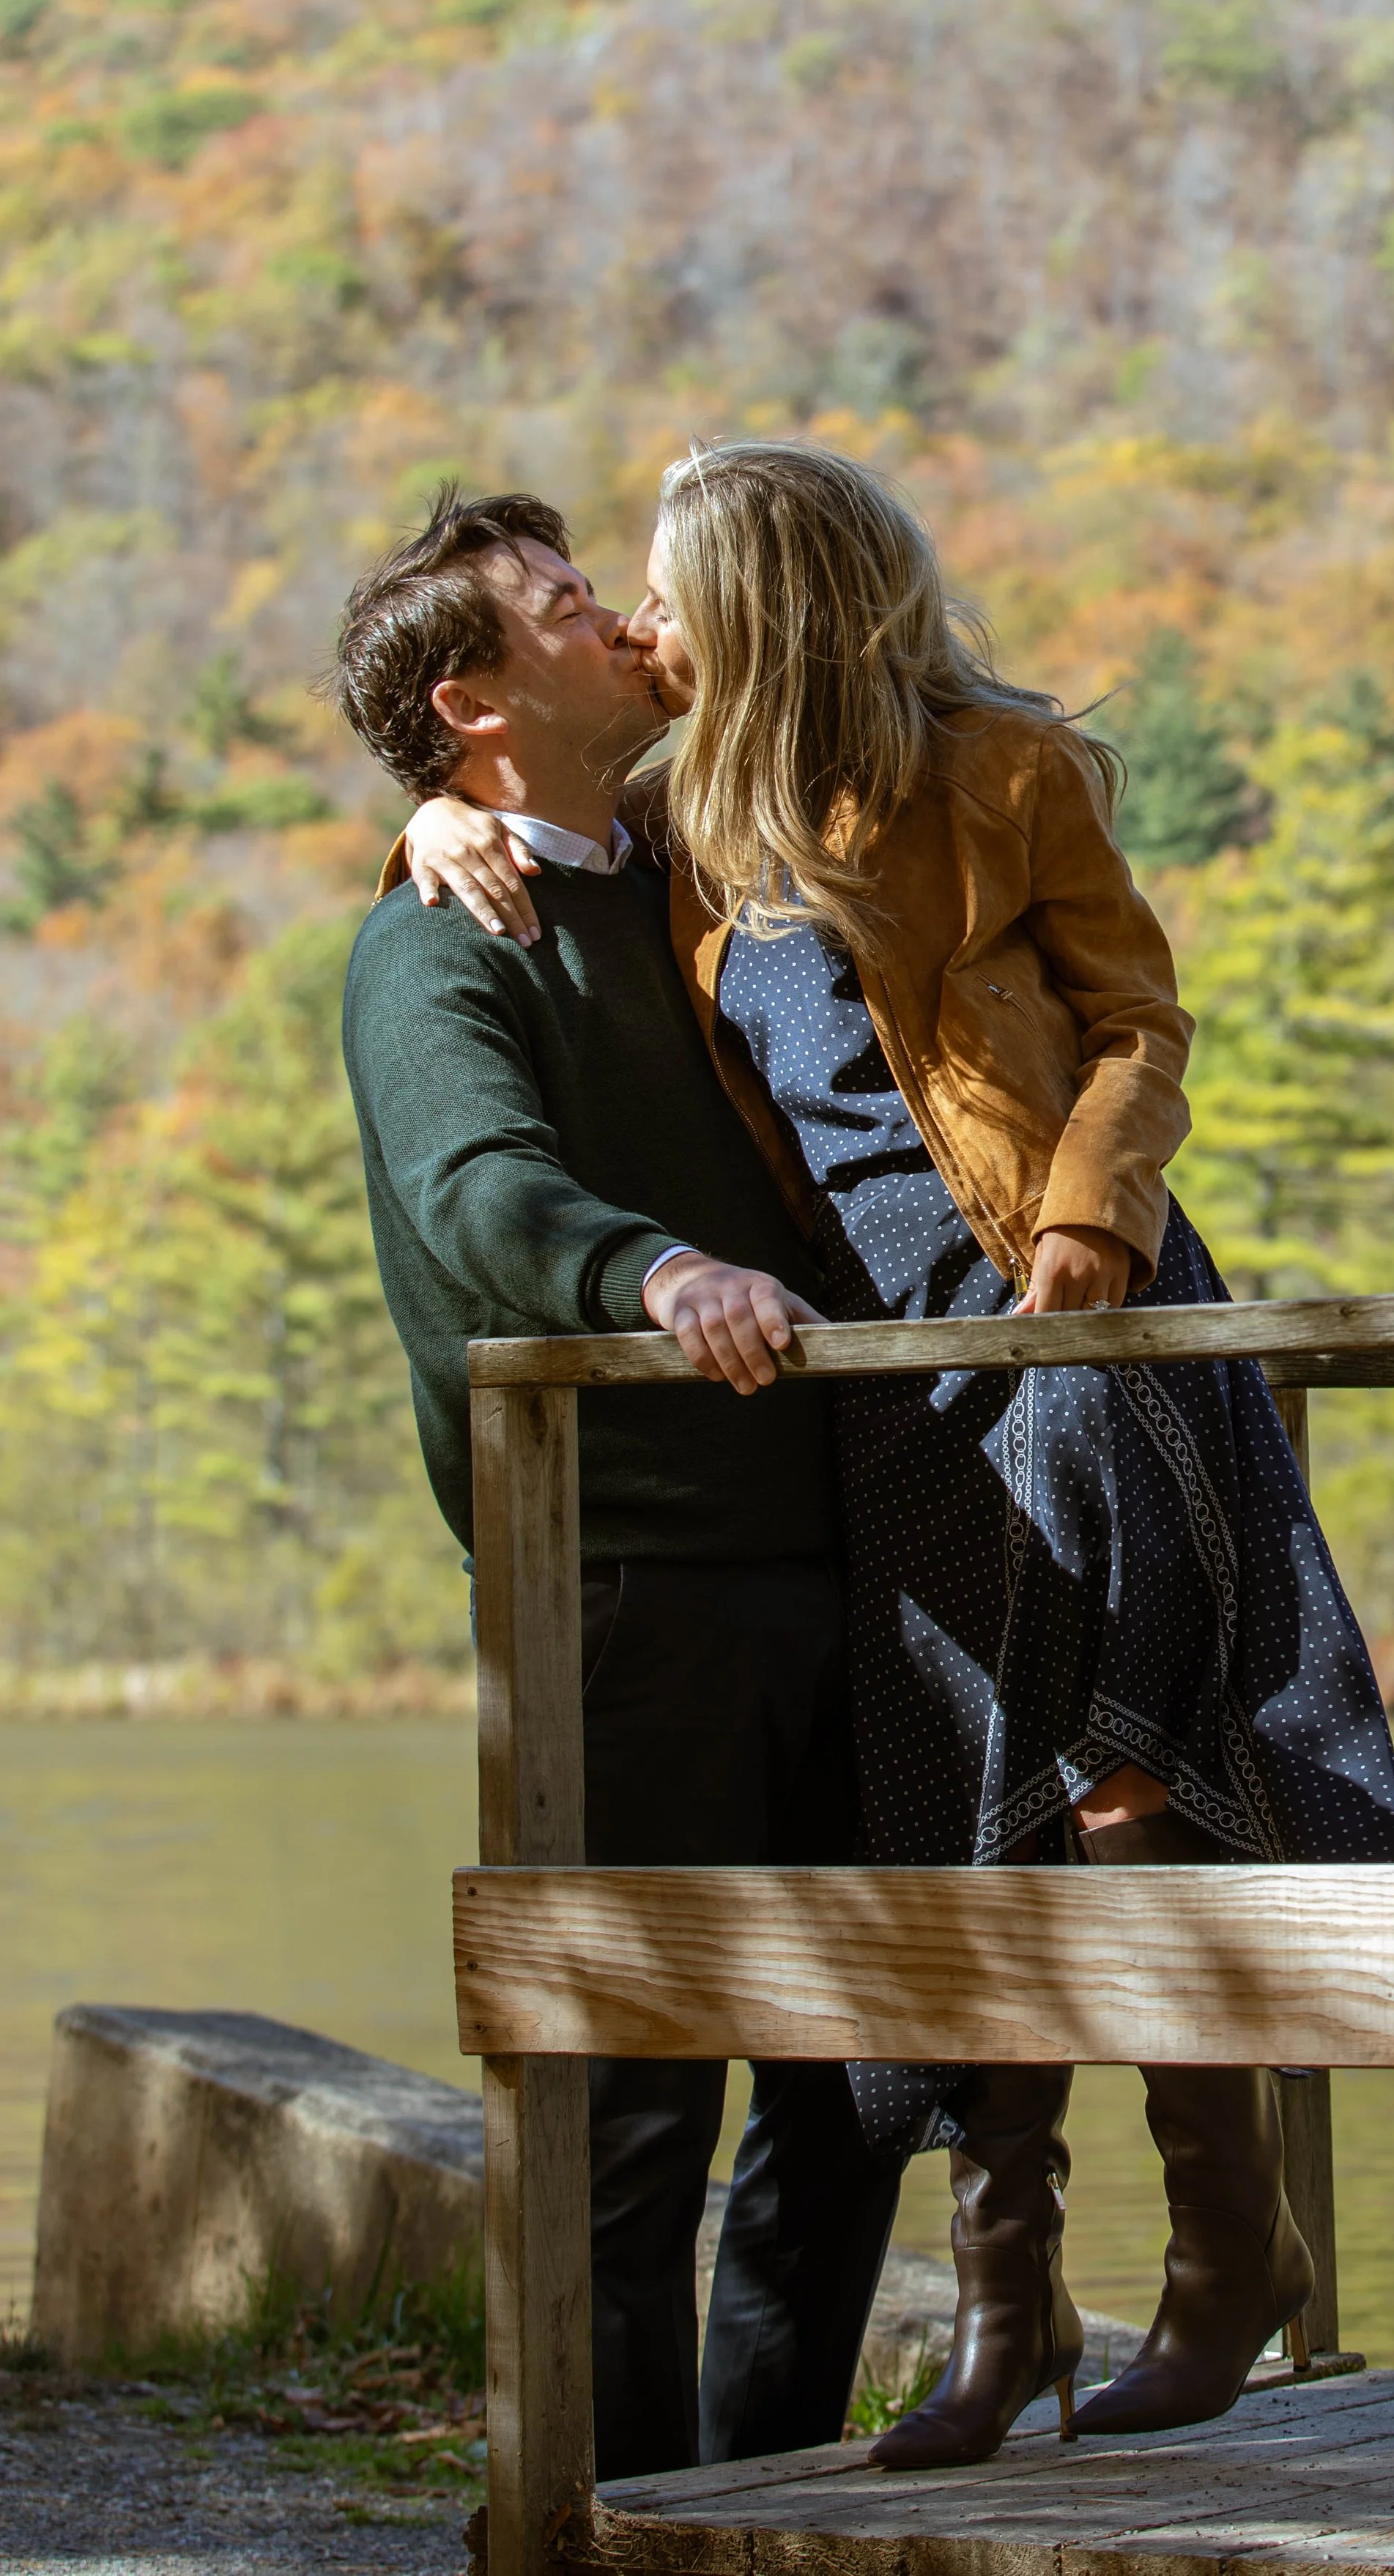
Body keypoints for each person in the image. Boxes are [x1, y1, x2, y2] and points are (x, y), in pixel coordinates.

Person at [396, 439, 1394, 2473]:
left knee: (1121, 1780)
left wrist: (1086, 1220)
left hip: (1064, 1317)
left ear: (774, 595)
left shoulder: (998, 765)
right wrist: (432, 815)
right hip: (888, 1381)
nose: (641, 626)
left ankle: (1229, 2257)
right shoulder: (698, 816)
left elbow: (1138, 1019)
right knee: (961, 1809)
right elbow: (539, 843)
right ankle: (1006, 2304)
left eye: (674, 593)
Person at [330, 484, 908, 2484]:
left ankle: (770, 2508)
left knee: (856, 2080)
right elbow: (474, 1190)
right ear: (472, 699)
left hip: (840, 1549)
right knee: (636, 2106)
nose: (623, 626)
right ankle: (627, 2527)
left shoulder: (693, 863)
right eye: (572, 607)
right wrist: (656, 1269)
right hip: (623, 1582)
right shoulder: (434, 934)